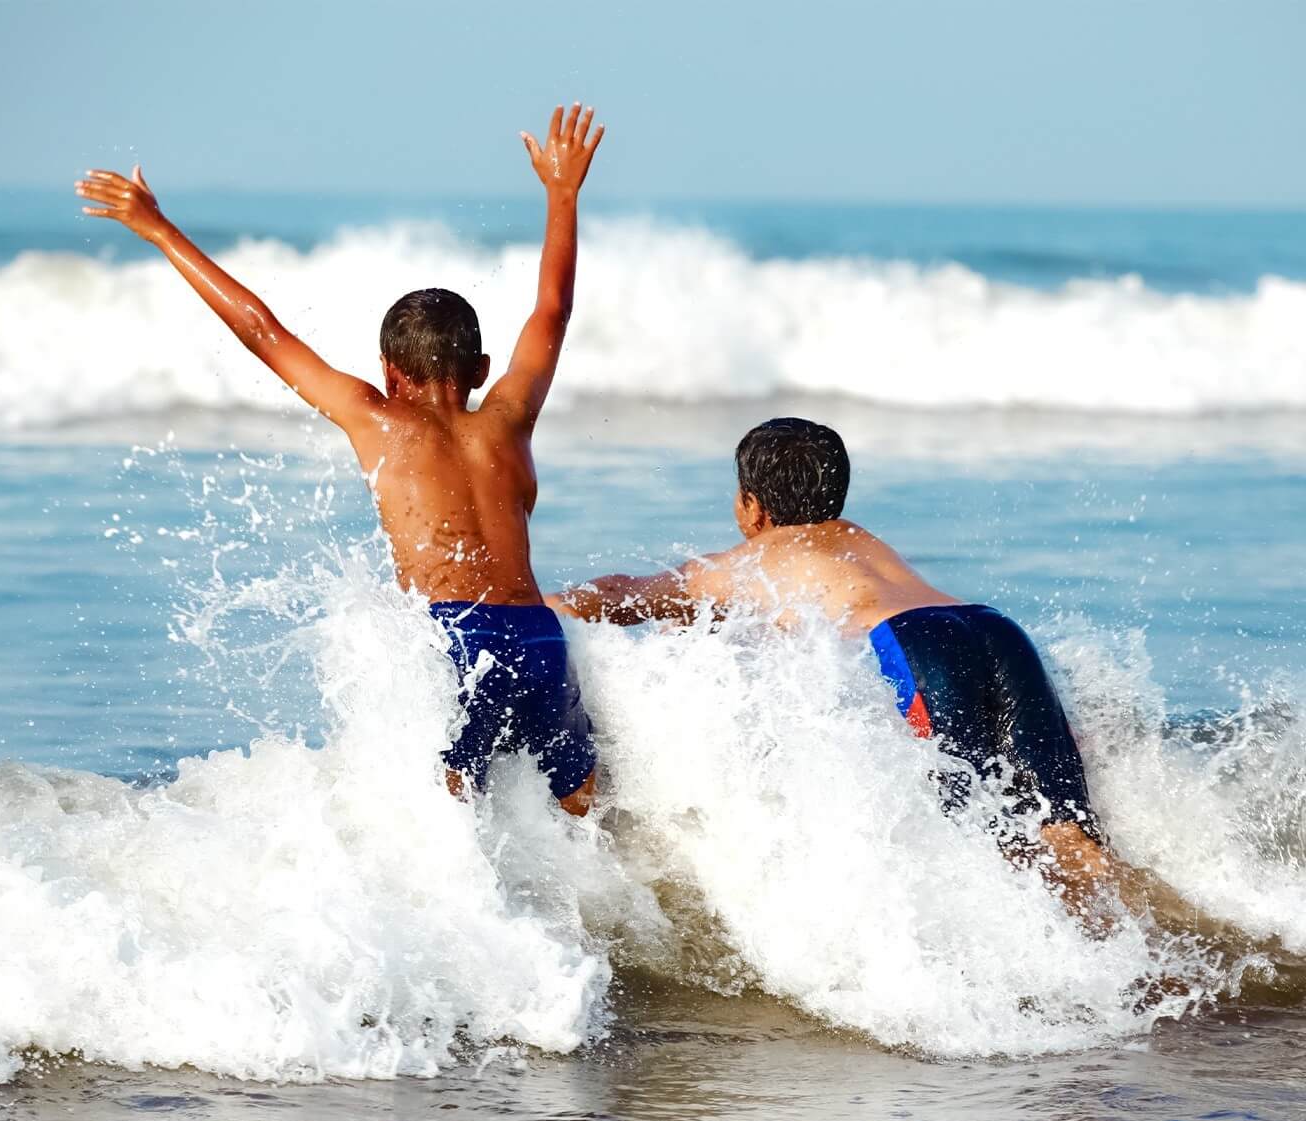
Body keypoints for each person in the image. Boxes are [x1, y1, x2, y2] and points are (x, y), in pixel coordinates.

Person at [76, 103, 605, 815]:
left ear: (388, 372)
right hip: (538, 635)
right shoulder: (507, 419)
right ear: (480, 369)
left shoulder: (374, 416)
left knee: (446, 818)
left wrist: (158, 227)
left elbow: (262, 330)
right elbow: (552, 311)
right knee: (579, 807)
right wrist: (562, 194)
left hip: (454, 641)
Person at [549, 416, 1122, 905]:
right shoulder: (859, 538)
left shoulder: (752, 558)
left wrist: (546, 605)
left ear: (752, 506)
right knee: (1071, 837)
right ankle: (1137, 962)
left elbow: (627, 594)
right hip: (994, 628)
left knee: (975, 837)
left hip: (915, 646)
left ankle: (1049, 996)